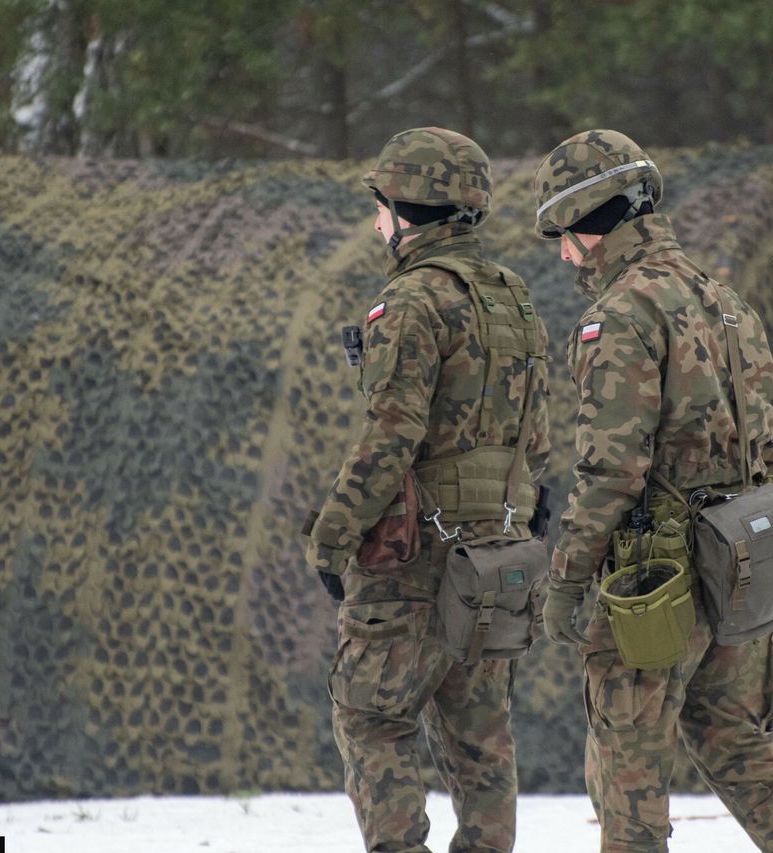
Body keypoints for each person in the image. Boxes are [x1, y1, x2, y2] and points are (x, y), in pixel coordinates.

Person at [533, 129, 773, 853]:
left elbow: (612, 468)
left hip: (655, 586)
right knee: (735, 738)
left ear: (593, 218)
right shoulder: (725, 302)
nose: (562, 252)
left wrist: (567, 579)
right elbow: (764, 443)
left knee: (629, 775)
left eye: (564, 232)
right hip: (741, 556)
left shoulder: (618, 315)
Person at [305, 126, 550, 853]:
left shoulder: (409, 301)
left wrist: (333, 532)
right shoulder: (515, 298)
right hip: (498, 550)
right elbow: (534, 438)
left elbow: (390, 437)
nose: (376, 220)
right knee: (481, 735)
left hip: (416, 559)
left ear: (408, 207)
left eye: (380, 204)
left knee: (372, 717)